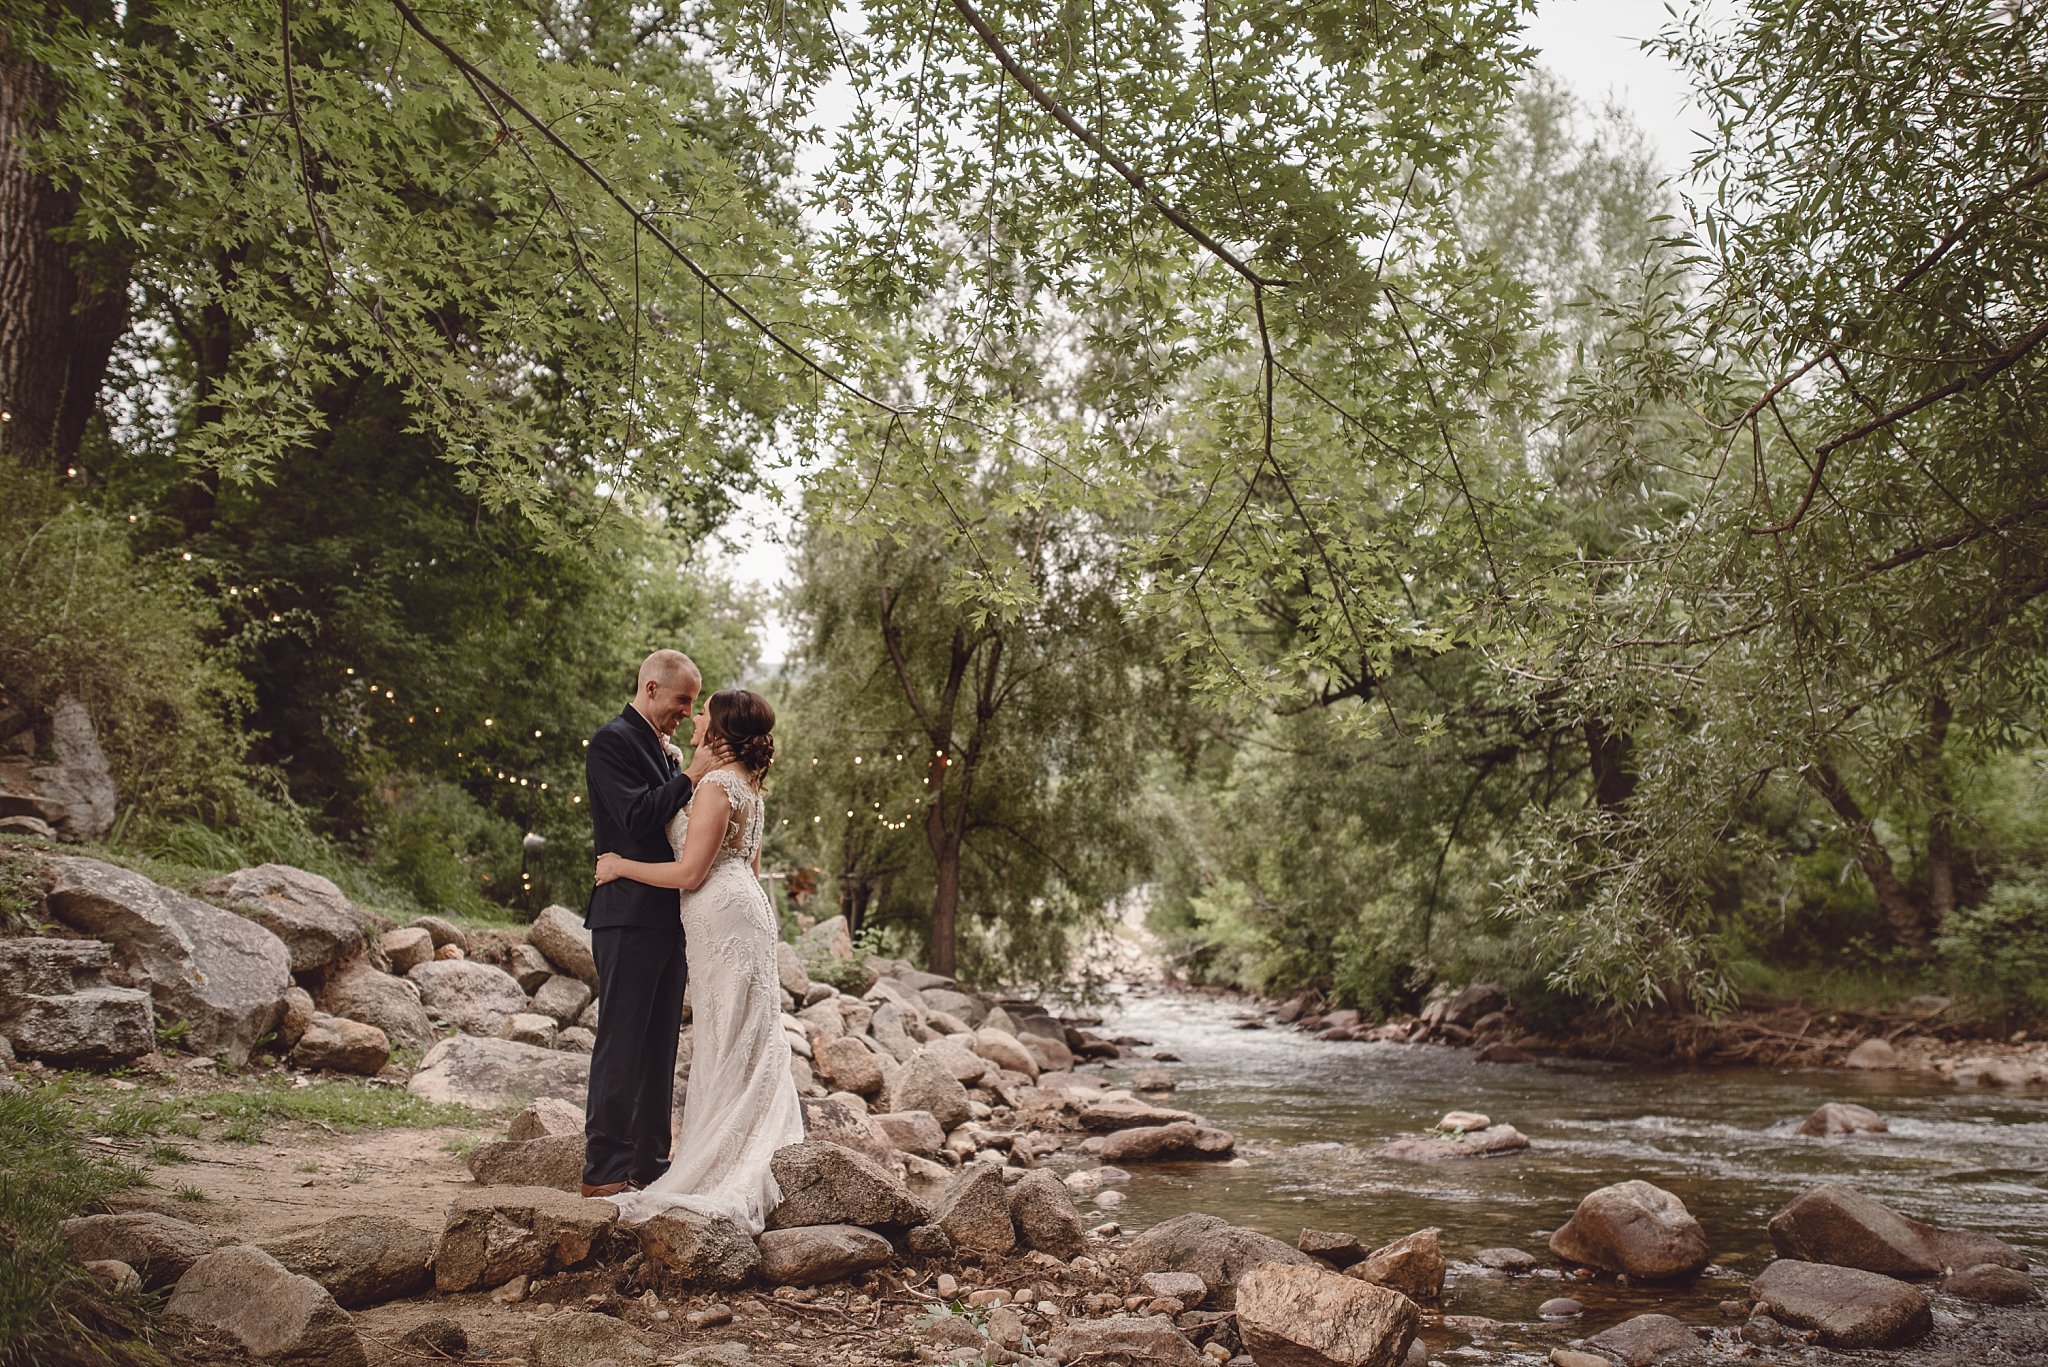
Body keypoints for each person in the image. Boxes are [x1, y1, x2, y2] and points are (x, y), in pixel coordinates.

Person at [593, 687, 803, 1232]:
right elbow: (746, 867)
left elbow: (691, 873)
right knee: (742, 1031)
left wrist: (619, 866)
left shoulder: (713, 787)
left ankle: (724, 1161)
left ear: (720, 728)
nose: (694, 718)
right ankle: (747, 1144)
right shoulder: (748, 787)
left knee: (727, 1032)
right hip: (741, 912)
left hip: (717, 912)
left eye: (702, 712)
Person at [580, 650, 727, 1198]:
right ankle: (604, 1169)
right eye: (682, 701)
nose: (687, 714)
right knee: (622, 1042)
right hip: (626, 916)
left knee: (660, 1044)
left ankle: (650, 1161)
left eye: (694, 703)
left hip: (670, 916)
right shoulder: (612, 741)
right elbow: (638, 817)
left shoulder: (661, 752)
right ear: (650, 688)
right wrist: (691, 773)